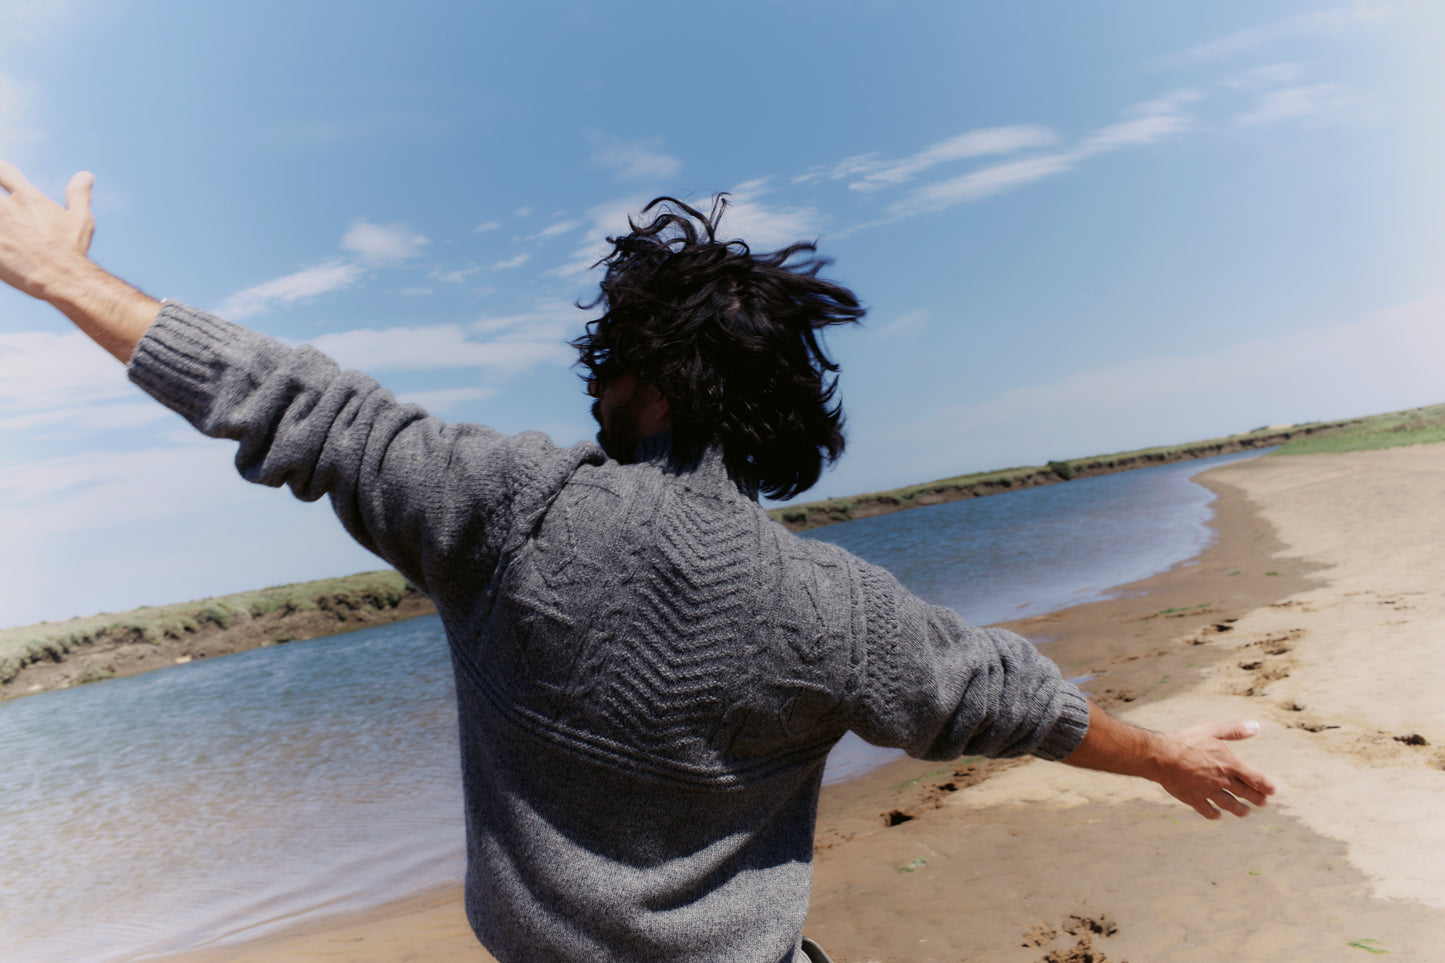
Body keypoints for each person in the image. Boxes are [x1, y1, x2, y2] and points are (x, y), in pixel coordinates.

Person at [0, 162, 1275, 963]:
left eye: (606, 354)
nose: (589, 377)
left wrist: (69, 280)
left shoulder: (503, 509)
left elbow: (298, 406)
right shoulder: (832, 612)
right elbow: (998, 696)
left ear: (647, 381)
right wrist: (1166, 757)